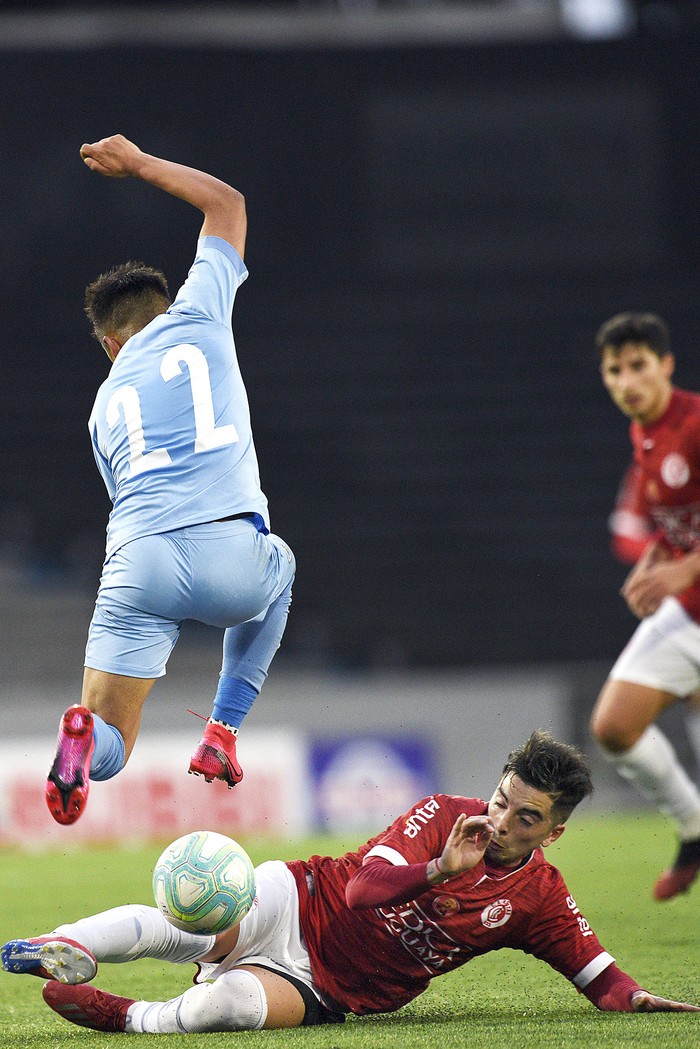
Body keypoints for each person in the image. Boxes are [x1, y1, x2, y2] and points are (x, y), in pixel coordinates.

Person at [3, 731, 697, 1033]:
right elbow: (365, 889)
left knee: (235, 1006)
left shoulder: (537, 898)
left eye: (526, 817)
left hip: (332, 987)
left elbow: (600, 978)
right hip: (301, 901)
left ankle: (126, 1016)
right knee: (193, 918)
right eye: (500, 797)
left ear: (552, 832)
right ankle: (58, 942)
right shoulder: (443, 817)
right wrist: (438, 870)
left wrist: (641, 1001)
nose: (501, 819)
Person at [45, 135, 296, 826]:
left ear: (110, 344)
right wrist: (138, 164)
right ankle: (222, 731)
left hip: (139, 559)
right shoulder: (200, 313)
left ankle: (77, 739)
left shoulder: (101, 408)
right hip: (228, 550)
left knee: (113, 736)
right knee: (281, 566)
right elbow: (226, 204)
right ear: (164, 306)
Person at [591, 311, 700, 900]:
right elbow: (680, 525)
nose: (627, 380)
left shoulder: (696, 422)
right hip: (691, 610)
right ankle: (694, 825)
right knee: (614, 727)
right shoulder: (645, 433)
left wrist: (684, 566)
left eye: (638, 366)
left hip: (692, 590)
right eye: (615, 370)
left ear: (666, 366)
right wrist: (657, 559)